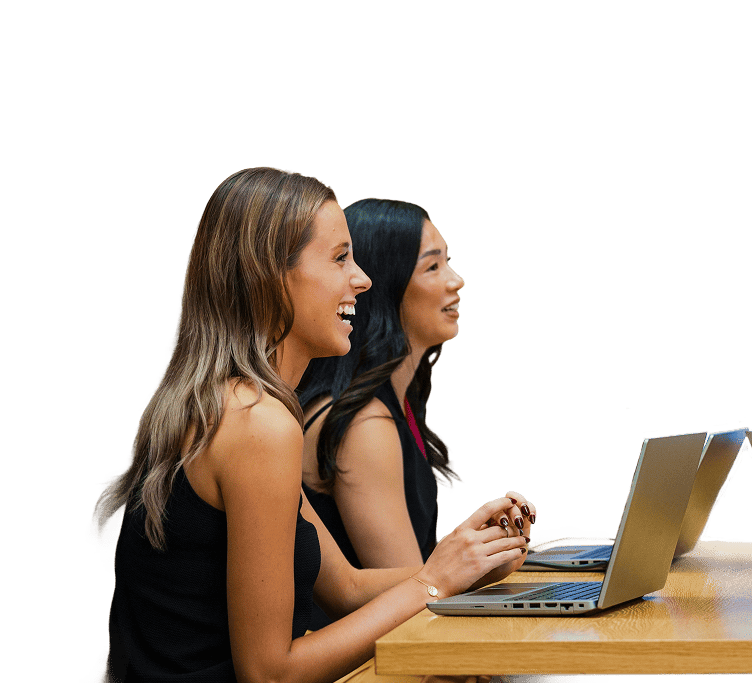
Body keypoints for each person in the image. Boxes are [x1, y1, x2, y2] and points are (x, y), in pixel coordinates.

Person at [89, 168, 535, 683]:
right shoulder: (257, 424)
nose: (362, 279)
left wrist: (467, 565)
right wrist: (431, 585)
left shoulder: (228, 406)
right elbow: (270, 674)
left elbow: (344, 586)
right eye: (340, 258)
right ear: (271, 276)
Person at [297, 198, 489, 629]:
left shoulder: (392, 407)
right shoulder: (365, 426)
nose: (456, 280)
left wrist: (487, 557)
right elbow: (421, 599)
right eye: (432, 267)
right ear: (383, 285)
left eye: (449, 263)